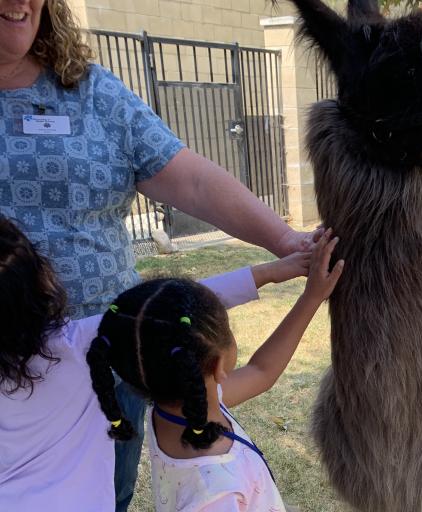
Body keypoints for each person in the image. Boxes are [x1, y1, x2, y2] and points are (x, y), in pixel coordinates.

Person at [0, 1, 319, 509]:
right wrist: (275, 273)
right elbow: (174, 321)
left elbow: (187, 179)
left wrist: (283, 248)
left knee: (116, 485)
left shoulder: (89, 91)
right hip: (111, 358)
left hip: (111, 371)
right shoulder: (93, 336)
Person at [0, 215, 324, 510]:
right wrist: (273, 274)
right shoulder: (217, 492)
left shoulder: (174, 415)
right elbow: (163, 318)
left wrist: (301, 289)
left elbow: (257, 369)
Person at [87, 228, 343, 512]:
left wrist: (308, 296)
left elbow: (262, 370)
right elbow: (259, 370)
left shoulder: (173, 407)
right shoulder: (217, 495)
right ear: (218, 364)